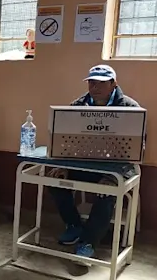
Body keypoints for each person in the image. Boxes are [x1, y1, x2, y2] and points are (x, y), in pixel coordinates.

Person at [49, 64, 140, 259]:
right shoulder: (78, 105)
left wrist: (112, 176)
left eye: (101, 82)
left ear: (114, 84)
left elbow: (134, 150)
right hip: (85, 164)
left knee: (106, 193)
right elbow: (66, 142)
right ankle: (73, 225)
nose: (95, 87)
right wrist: (63, 166)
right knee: (54, 181)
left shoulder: (130, 108)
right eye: (91, 82)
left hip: (116, 168)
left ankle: (89, 241)